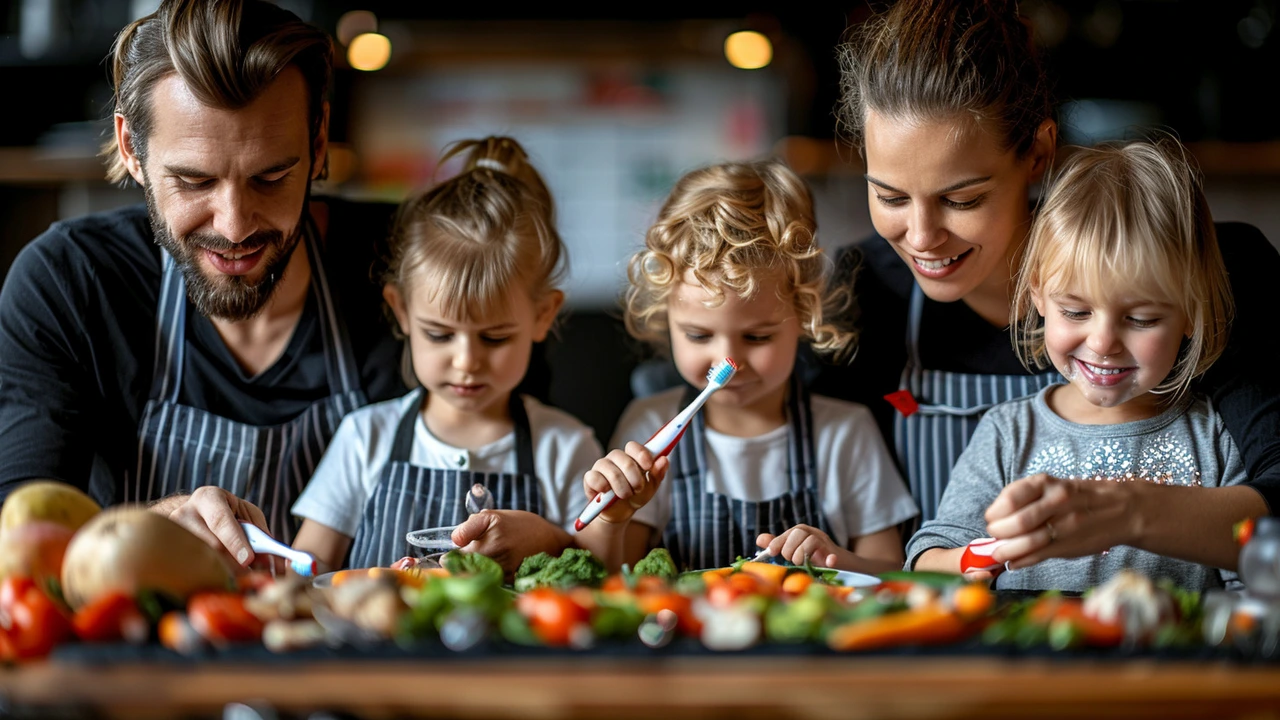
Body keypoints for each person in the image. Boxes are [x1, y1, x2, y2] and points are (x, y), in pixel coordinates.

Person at [813, 0, 1280, 573]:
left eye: (962, 199)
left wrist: (1126, 511)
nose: (920, 236)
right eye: (889, 196)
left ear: (1037, 153)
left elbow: (1272, 519)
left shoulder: (1199, 264)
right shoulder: (865, 294)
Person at [0, 0, 412, 566]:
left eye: (271, 177)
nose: (235, 224)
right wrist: (153, 527)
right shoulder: (70, 283)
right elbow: (20, 541)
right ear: (131, 149)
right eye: (194, 182)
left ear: (318, 143)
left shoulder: (413, 267)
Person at [909, 138, 1245, 591]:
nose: (1103, 342)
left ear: (1192, 313)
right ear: (1037, 295)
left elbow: (1254, 580)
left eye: (1141, 319)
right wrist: (992, 551)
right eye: (1076, 311)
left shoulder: (1216, 438)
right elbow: (927, 562)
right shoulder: (1008, 433)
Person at [575, 160, 918, 573]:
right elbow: (614, 572)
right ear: (668, 318)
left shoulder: (846, 434)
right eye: (699, 336)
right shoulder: (647, 425)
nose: (728, 363)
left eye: (758, 337)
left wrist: (835, 559)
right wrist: (615, 517)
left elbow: (892, 572)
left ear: (805, 315)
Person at [292, 137, 602, 574]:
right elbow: (307, 566)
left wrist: (550, 540)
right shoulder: (365, 440)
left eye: (494, 338)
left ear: (543, 315)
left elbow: (596, 570)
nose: (466, 361)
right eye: (439, 335)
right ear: (401, 311)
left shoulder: (567, 449)